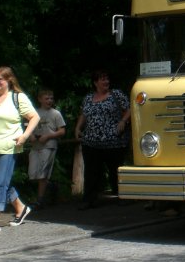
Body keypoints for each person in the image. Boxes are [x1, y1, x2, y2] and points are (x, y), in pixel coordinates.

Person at [0, 66, 40, 233]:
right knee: (1, 182)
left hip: (8, 147)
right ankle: (21, 208)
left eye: (0, 79)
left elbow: (34, 117)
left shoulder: (18, 98)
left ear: (9, 81)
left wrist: (25, 136)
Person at [74, 69, 130, 209]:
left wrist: (123, 121)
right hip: (91, 141)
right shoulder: (88, 98)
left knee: (115, 170)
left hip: (114, 141)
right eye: (102, 79)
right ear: (95, 82)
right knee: (91, 171)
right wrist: (77, 128)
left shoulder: (116, 94)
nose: (106, 82)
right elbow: (83, 114)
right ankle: (89, 199)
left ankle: (122, 195)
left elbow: (129, 109)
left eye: (107, 79)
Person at [28, 87, 66, 209]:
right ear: (40, 99)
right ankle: (51, 187)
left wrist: (49, 136)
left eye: (51, 98)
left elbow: (62, 131)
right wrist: (31, 136)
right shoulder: (34, 113)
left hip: (49, 146)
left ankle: (40, 200)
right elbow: (28, 127)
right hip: (35, 146)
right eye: (46, 98)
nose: (49, 100)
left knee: (43, 173)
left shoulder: (56, 113)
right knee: (33, 173)